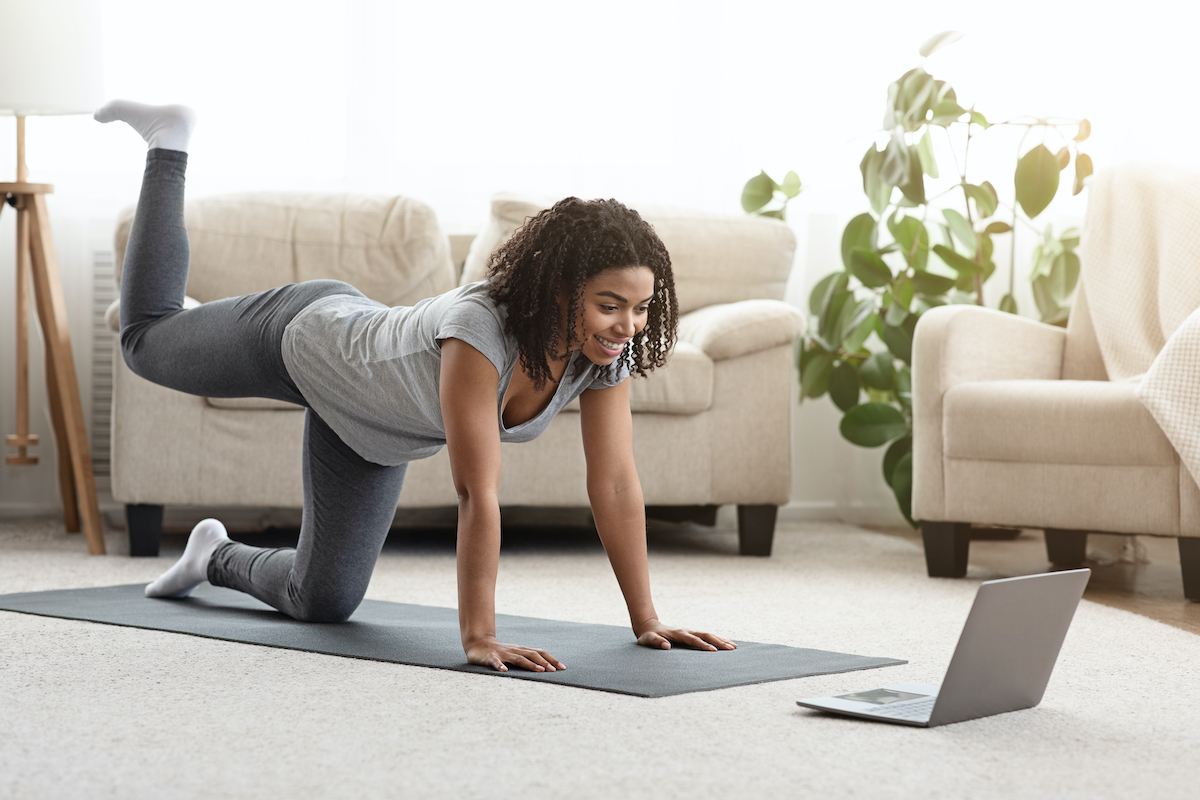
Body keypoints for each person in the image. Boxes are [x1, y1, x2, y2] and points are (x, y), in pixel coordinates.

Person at [95, 100, 736, 674]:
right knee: (145, 343)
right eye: (609, 305)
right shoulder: (480, 329)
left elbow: (616, 483)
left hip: (367, 428)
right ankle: (167, 144)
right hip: (306, 338)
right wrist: (480, 636)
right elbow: (475, 491)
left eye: (643, 308)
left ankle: (212, 554)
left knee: (322, 603)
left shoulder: (600, 356)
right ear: (562, 291)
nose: (628, 326)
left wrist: (646, 619)